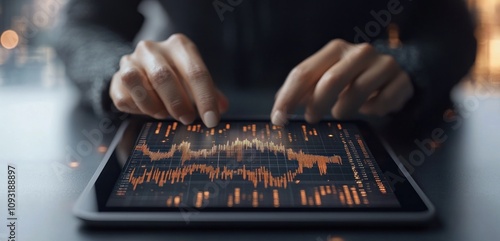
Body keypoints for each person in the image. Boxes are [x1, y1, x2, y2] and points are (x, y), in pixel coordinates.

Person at [55, 0, 476, 128]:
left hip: (355, 117)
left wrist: (408, 66)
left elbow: (451, 30)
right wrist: (118, 70)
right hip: (178, 116)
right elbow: (80, 28)